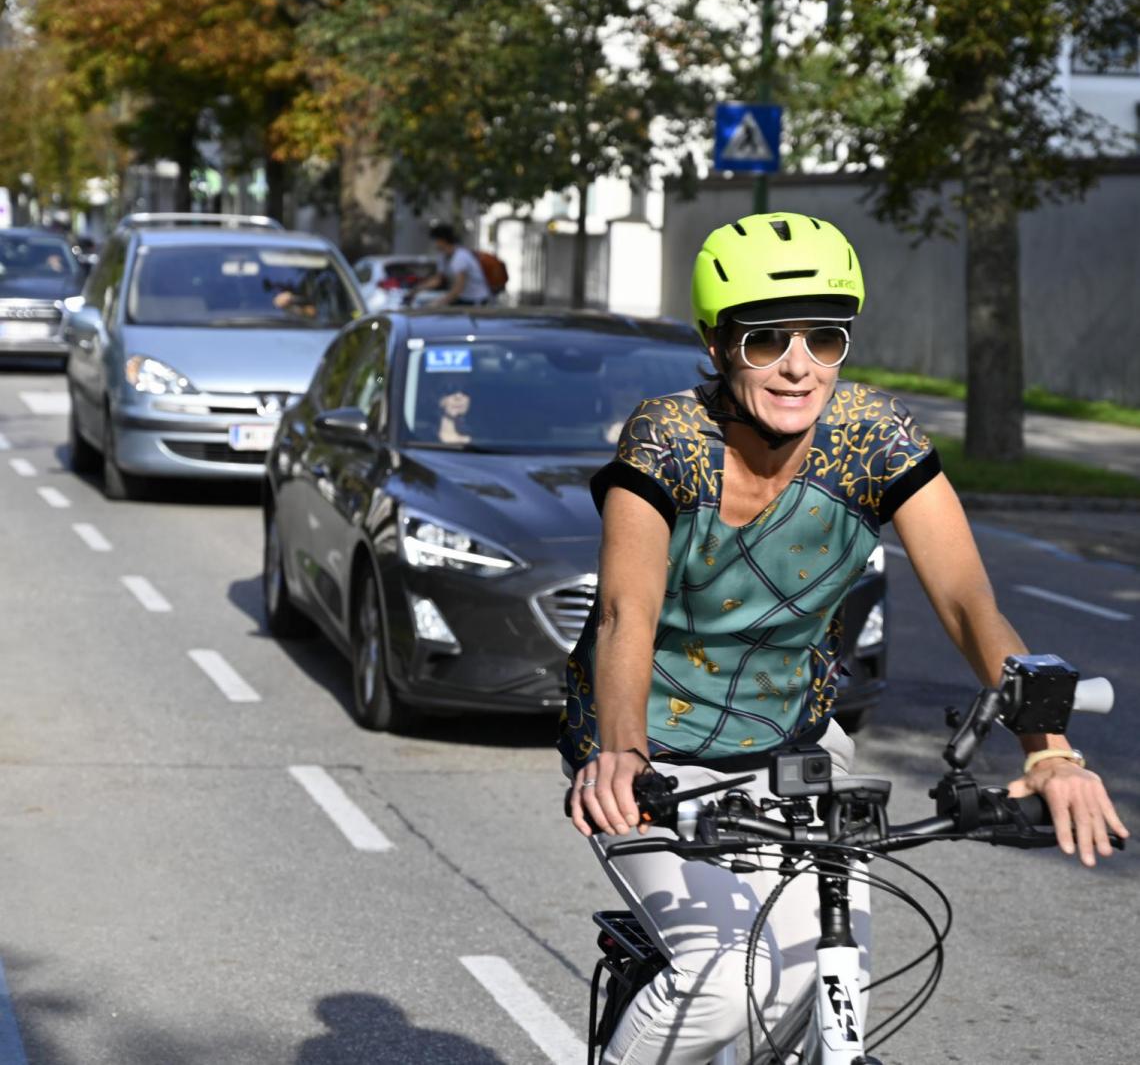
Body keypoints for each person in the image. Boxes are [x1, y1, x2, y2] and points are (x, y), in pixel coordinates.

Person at [560, 211, 1127, 1065]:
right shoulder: (669, 438)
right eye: (765, 341)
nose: (798, 365)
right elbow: (623, 613)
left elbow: (970, 603)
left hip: (793, 746)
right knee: (718, 982)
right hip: (652, 754)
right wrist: (622, 755)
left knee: (817, 982)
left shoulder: (873, 436)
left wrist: (1049, 750)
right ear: (717, 348)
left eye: (824, 338)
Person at [410, 223, 492, 307]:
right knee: (423, 300)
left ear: (442, 240)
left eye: (435, 241)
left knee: (431, 307)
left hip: (475, 301)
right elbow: (438, 280)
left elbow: (458, 288)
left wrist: (437, 304)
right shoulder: (443, 256)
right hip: (462, 298)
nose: (434, 244)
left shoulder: (460, 257)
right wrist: (416, 290)